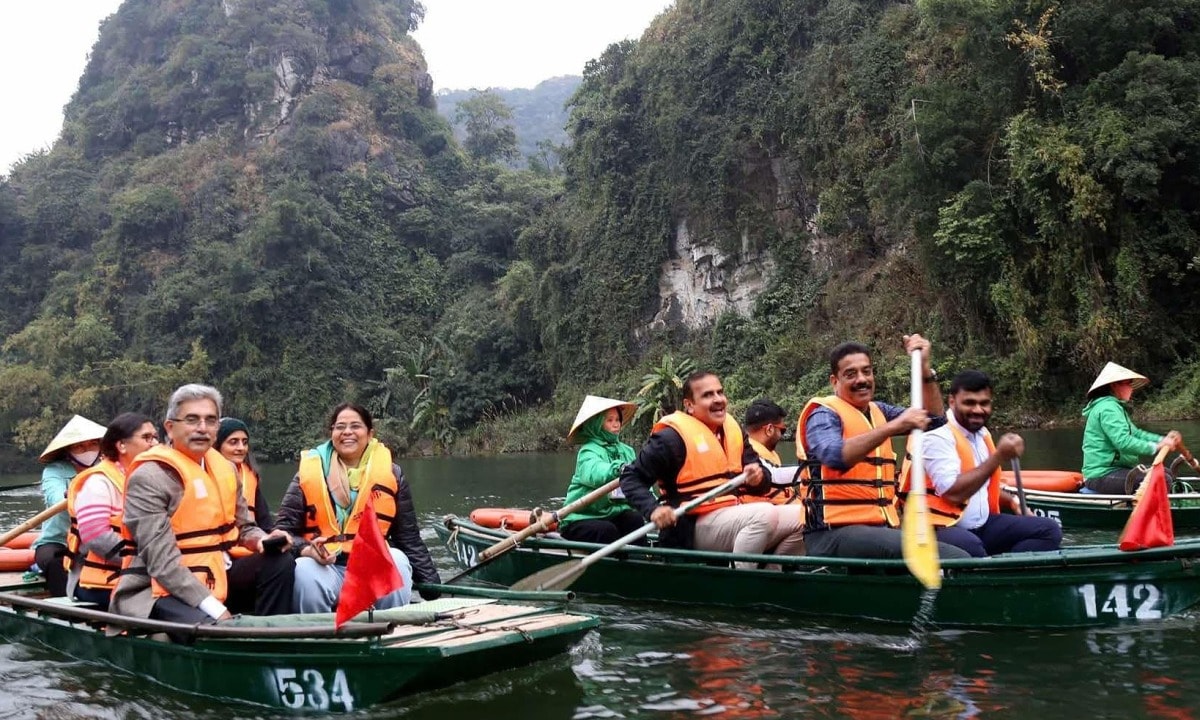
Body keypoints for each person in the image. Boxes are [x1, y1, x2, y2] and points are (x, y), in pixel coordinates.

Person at [110, 384, 296, 625]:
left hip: (218, 574)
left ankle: (271, 636)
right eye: (192, 419)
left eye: (210, 420)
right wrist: (215, 608)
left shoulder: (226, 469)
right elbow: (162, 563)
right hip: (158, 588)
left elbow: (245, 528)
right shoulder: (149, 477)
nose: (202, 428)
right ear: (170, 427)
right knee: (209, 623)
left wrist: (263, 540)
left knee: (279, 562)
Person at [798, 336, 971, 560]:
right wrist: (893, 427)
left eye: (867, 372)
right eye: (851, 374)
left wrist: (924, 368)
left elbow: (934, 420)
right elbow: (834, 456)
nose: (862, 379)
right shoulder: (822, 414)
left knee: (959, 549)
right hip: (831, 533)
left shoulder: (878, 411)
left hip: (879, 527)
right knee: (956, 558)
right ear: (835, 381)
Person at [619, 371, 806, 568]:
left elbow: (763, 481)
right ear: (689, 405)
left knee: (808, 516)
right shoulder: (670, 438)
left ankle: (772, 573)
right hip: (688, 527)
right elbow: (630, 478)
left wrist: (758, 478)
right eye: (708, 395)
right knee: (764, 514)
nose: (718, 399)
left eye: (720, 392)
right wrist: (653, 509)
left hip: (732, 515)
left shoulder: (733, 432)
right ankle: (741, 580)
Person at [275, 403, 442, 613]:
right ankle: (318, 638)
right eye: (340, 427)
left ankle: (389, 632)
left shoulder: (392, 474)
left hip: (369, 565)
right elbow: (282, 532)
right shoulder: (307, 474)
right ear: (332, 432)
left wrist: (433, 590)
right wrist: (307, 550)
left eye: (355, 426)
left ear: (370, 433)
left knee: (397, 559)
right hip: (326, 567)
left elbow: (408, 537)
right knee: (303, 570)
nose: (347, 432)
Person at [902, 370, 1062, 557]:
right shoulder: (936, 434)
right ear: (952, 401)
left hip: (980, 526)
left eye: (984, 403)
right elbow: (953, 493)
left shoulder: (982, 434)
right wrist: (999, 456)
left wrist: (1012, 500)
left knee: (1049, 530)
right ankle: (989, 573)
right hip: (936, 527)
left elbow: (982, 487)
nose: (978, 410)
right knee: (972, 547)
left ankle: (1009, 575)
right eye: (969, 403)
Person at [64, 412, 159, 608]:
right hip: (101, 582)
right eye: (146, 438)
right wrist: (152, 562)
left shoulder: (151, 479)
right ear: (121, 445)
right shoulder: (99, 482)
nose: (154, 444)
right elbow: (96, 537)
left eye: (155, 437)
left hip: (147, 574)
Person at [557, 396, 647, 544]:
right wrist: (619, 468)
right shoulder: (587, 452)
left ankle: (638, 560)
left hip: (612, 514)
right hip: (582, 517)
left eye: (617, 419)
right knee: (606, 530)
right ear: (597, 424)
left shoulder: (627, 451)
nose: (616, 424)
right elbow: (595, 472)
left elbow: (639, 482)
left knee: (635, 519)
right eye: (609, 420)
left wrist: (655, 505)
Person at [33, 415, 107, 597]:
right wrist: (76, 495)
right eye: (80, 446)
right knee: (55, 562)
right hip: (59, 541)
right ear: (69, 450)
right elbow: (55, 498)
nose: (88, 450)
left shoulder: (107, 467)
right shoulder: (55, 471)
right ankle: (66, 611)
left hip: (97, 540)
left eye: (92, 444)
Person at [1081, 362, 1181, 494]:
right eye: (1128, 383)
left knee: (1165, 472)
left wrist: (1162, 440)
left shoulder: (1114, 407)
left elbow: (1136, 434)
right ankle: (1155, 513)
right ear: (1114, 385)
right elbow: (1123, 442)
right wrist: (1156, 446)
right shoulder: (1107, 408)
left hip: (1116, 470)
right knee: (1162, 479)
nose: (1131, 388)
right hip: (1101, 475)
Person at [744, 399, 805, 504]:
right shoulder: (750, 456)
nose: (781, 435)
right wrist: (813, 470)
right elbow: (775, 476)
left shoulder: (766, 453)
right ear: (769, 430)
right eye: (782, 430)